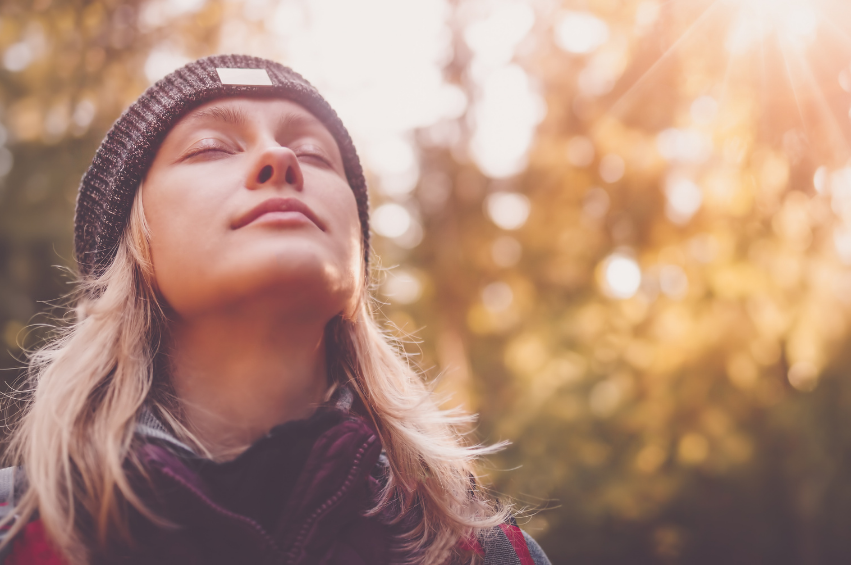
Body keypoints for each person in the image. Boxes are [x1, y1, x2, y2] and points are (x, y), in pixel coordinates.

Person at [0, 56, 550, 565]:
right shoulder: (16, 532)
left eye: (313, 154)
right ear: (131, 244)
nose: (281, 158)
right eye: (211, 147)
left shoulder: (491, 552)